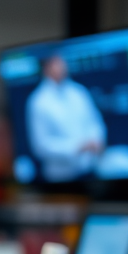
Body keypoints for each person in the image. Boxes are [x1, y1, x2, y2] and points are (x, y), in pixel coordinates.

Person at [25, 54, 106, 182]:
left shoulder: (79, 92)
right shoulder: (37, 101)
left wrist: (95, 140)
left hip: (90, 169)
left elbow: (95, 122)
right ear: (46, 68)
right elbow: (40, 146)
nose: (62, 67)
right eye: (56, 64)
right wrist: (77, 147)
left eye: (63, 63)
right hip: (61, 178)